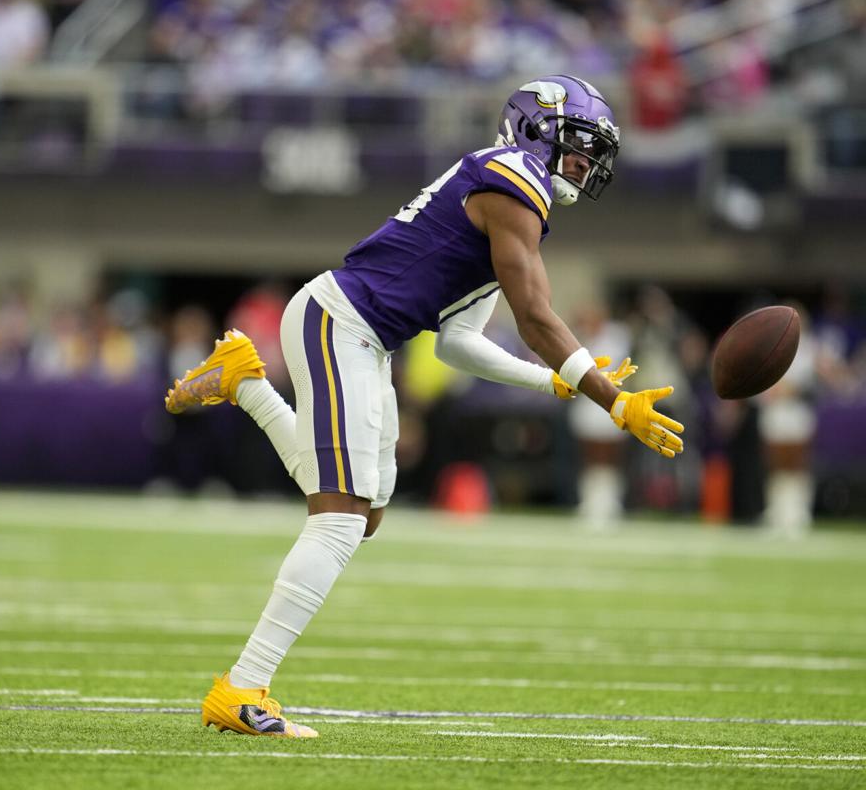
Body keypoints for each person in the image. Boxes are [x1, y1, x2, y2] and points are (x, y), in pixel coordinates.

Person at [164, 76, 683, 738]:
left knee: (366, 510)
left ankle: (244, 382)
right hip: (339, 322)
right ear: (536, 131)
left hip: (367, 341)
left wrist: (550, 383)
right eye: (579, 145)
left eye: (594, 153)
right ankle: (242, 686)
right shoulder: (511, 178)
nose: (586, 163)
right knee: (339, 520)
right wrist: (609, 398)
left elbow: (460, 345)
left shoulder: (510, 198)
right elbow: (536, 314)